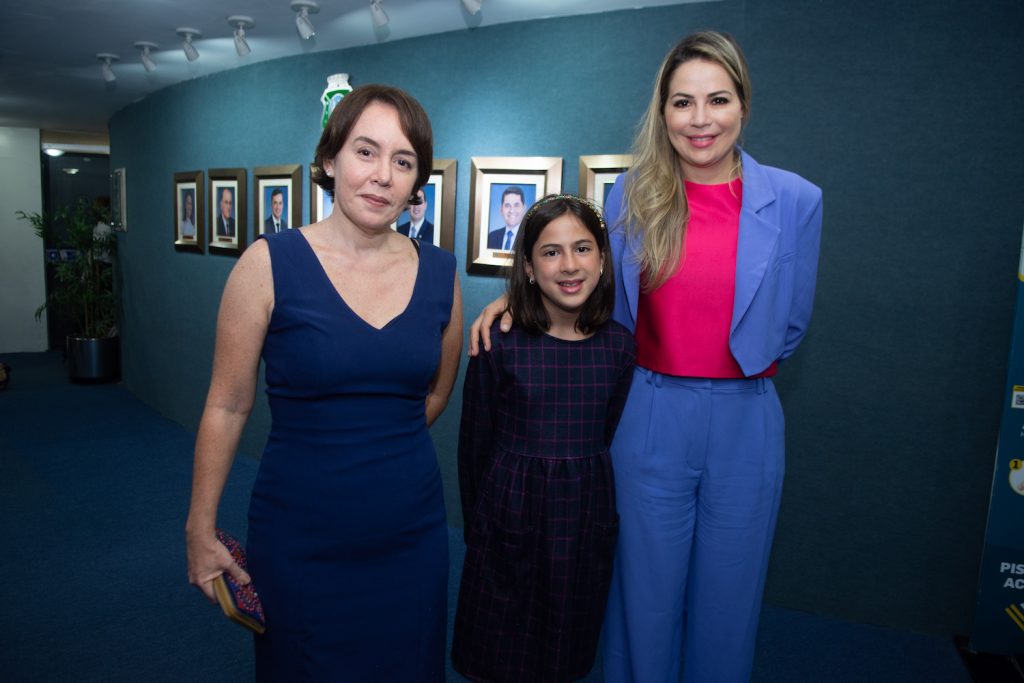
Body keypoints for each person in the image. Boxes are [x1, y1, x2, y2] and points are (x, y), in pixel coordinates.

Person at [470, 31, 823, 683]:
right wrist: (514, 303)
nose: (700, 119)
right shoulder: (629, 197)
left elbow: (792, 324)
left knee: (730, 602)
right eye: (682, 102)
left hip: (748, 419)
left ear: (743, 104)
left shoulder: (798, 200)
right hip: (649, 415)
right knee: (642, 599)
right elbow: (596, 300)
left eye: (717, 99)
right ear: (662, 111)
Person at [186, 84, 463, 680]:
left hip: (411, 534)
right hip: (301, 536)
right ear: (330, 159)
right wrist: (199, 527)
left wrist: (377, 448)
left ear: (417, 182)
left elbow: (437, 391)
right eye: (366, 151)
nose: (383, 175)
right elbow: (228, 405)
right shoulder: (267, 264)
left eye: (403, 160)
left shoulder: (440, 273)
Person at [452, 194, 635, 682]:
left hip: (582, 516)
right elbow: (473, 446)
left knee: (565, 640)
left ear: (601, 259)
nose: (569, 265)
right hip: (508, 512)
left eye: (583, 249)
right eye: (551, 252)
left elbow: (610, 426)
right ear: (529, 267)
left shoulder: (619, 347)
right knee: (499, 641)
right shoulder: (499, 341)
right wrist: (478, 528)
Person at [486, 185, 526, 250]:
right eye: (507, 205)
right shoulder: (491, 237)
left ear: (523, 209)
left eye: (516, 205)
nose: (511, 210)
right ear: (501, 209)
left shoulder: (530, 237)